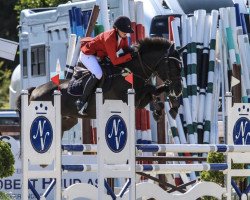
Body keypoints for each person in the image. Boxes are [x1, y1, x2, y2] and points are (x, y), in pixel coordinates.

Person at [71, 16, 135, 115]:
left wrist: (135, 52)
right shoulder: (109, 38)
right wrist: (129, 56)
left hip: (100, 56)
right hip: (88, 55)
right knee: (98, 73)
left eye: (127, 31)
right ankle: (82, 101)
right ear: (116, 29)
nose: (126, 33)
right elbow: (115, 61)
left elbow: (126, 49)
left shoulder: (123, 37)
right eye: (124, 31)